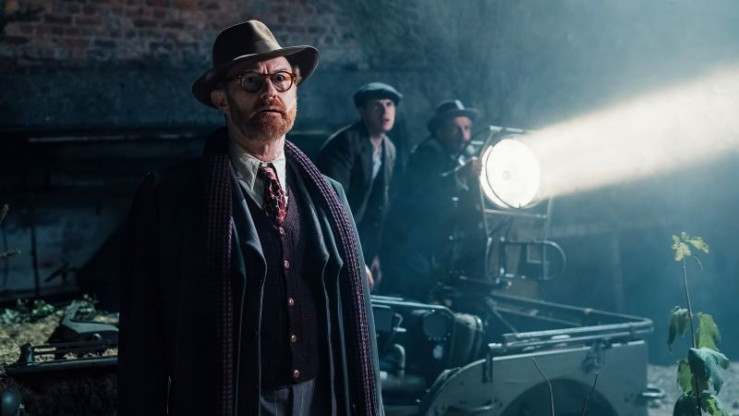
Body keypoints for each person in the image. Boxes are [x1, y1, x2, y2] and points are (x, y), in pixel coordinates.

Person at [118, 20, 383, 416]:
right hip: (228, 401)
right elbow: (142, 335)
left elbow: (359, 323)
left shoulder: (329, 195)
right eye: (251, 81)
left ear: (295, 90)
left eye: (281, 79)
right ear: (221, 99)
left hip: (322, 398)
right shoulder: (169, 196)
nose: (270, 92)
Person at [381, 99, 484, 301]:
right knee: (416, 299)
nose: (463, 136)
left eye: (467, 128)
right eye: (455, 129)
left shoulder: (461, 157)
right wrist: (459, 176)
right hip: (413, 247)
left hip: (443, 249)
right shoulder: (426, 155)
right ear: (439, 131)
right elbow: (424, 195)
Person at [316, 82, 402, 290]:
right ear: (362, 111)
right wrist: (354, 257)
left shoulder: (389, 148)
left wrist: (372, 254)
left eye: (389, 104)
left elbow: (377, 208)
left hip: (360, 241)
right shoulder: (344, 143)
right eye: (376, 106)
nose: (385, 111)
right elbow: (333, 206)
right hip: (331, 238)